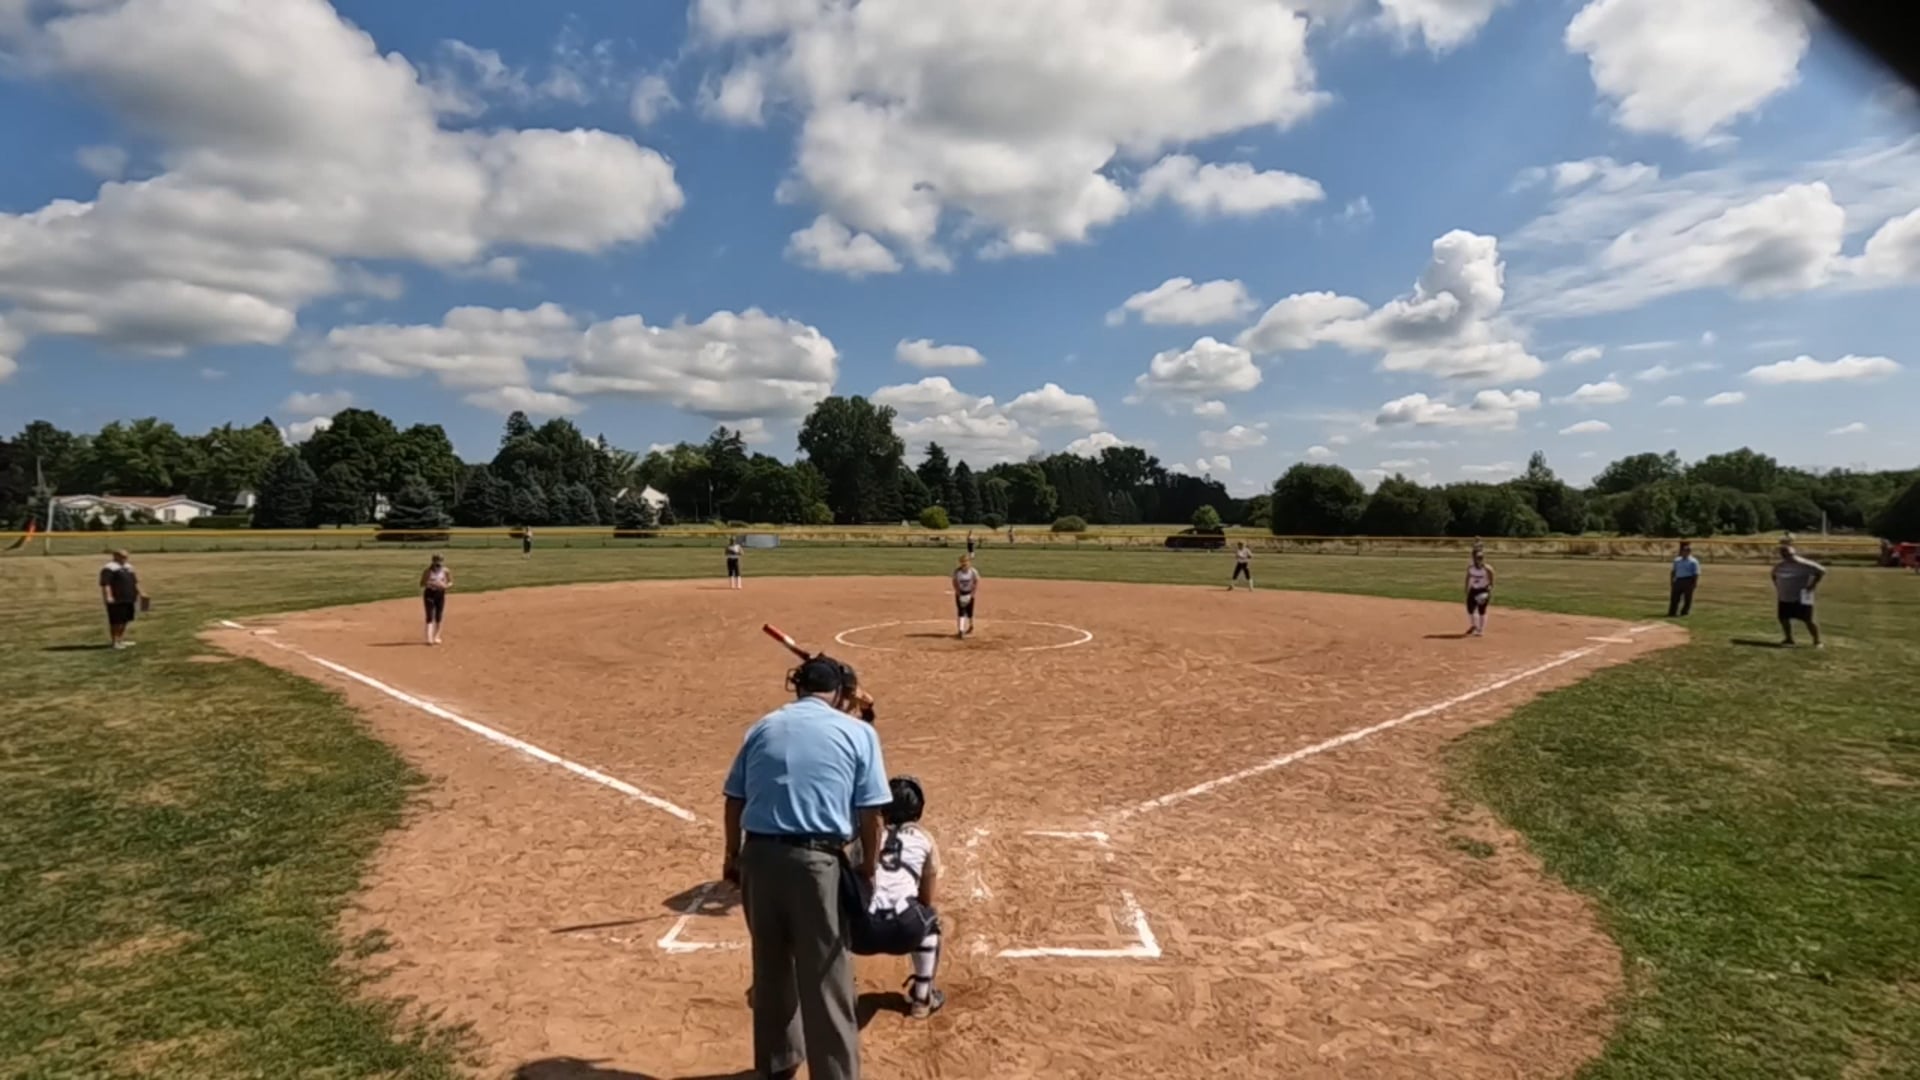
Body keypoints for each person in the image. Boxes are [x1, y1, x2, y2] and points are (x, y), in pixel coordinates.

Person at [722, 656, 890, 1080]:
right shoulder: (858, 732)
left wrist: (732, 857)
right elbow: (871, 812)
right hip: (816, 865)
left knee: (771, 969)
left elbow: (734, 798)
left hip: (759, 858)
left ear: (797, 686)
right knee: (826, 978)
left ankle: (777, 1066)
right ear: (839, 692)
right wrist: (869, 867)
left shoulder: (762, 727)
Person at [847, 776, 945, 1019]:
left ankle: (842, 991)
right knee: (930, 921)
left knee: (837, 916)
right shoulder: (924, 838)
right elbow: (926, 898)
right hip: (904, 930)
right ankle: (922, 998)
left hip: (859, 934)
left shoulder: (864, 837)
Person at [1772, 542, 1827, 648]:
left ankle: (1817, 641)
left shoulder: (1805, 564)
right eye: (1784, 554)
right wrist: (1778, 586)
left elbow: (1822, 571)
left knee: (1808, 619)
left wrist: (1813, 585)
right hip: (1785, 596)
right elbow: (1773, 575)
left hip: (1803, 595)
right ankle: (1789, 639)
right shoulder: (1780, 566)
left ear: (1794, 553)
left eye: (1789, 554)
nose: (1787, 556)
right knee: (1784, 618)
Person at [99, 548, 144, 650]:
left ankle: (121, 639)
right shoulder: (109, 568)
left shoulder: (129, 567)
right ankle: (115, 642)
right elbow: (106, 584)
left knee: (125, 620)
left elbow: (135, 582)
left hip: (129, 597)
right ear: (115, 556)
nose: (125, 558)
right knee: (116, 621)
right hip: (116, 599)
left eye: (126, 556)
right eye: (123, 556)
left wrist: (141, 593)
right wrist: (108, 596)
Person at [420, 554, 452, 645]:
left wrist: (445, 586)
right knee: (429, 615)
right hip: (430, 593)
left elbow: (450, 582)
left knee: (439, 615)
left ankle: (437, 636)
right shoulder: (428, 571)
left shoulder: (446, 571)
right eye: (436, 562)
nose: (438, 564)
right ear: (433, 562)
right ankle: (429, 638)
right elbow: (422, 583)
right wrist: (431, 583)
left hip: (440, 594)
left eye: (440, 561)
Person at [1464, 545, 1494, 637]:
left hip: (1483, 590)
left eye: (1481, 557)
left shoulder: (1487, 568)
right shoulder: (1470, 567)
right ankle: (1474, 626)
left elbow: (1491, 581)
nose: (1480, 559)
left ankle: (1480, 630)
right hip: (1473, 590)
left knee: (1481, 610)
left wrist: (1488, 591)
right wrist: (1466, 588)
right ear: (1473, 558)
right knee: (1470, 609)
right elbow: (1467, 577)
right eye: (1478, 557)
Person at [1668, 541, 1701, 617]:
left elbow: (1696, 573)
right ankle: (1672, 612)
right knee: (1674, 597)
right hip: (1678, 580)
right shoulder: (1677, 560)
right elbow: (1673, 571)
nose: (1684, 553)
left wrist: (1695, 582)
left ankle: (1684, 612)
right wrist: (1672, 581)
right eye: (1683, 551)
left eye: (1686, 551)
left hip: (1688, 580)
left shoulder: (1693, 561)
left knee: (1687, 598)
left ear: (1689, 552)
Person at [952, 554, 979, 638]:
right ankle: (961, 630)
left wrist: (972, 594)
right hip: (961, 593)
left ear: (969, 563)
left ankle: (971, 625)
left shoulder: (973, 571)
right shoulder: (957, 572)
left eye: (966, 562)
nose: (964, 564)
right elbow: (954, 582)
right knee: (961, 611)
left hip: (969, 593)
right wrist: (958, 593)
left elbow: (976, 582)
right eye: (962, 562)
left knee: (970, 612)